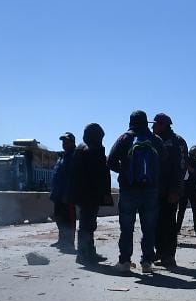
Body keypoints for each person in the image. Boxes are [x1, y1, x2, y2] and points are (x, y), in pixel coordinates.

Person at [108, 111, 161, 273]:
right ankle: (146, 262)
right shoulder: (154, 139)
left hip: (129, 189)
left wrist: (124, 172)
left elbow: (110, 161)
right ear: (146, 122)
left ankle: (124, 262)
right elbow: (163, 159)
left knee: (126, 227)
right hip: (150, 191)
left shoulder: (125, 138)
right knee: (149, 227)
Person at [71, 123, 112, 265]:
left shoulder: (81, 148)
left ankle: (88, 251)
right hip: (89, 194)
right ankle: (84, 253)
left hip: (85, 194)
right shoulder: (90, 150)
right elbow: (98, 174)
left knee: (87, 224)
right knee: (87, 225)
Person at [151, 113, 188, 268]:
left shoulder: (177, 141)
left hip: (170, 190)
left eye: (155, 124)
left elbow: (181, 168)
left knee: (169, 223)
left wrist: (175, 190)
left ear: (163, 125)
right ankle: (159, 251)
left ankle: (169, 256)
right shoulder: (154, 141)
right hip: (155, 190)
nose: (152, 127)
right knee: (156, 222)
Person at [48, 132, 77, 252]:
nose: (64, 143)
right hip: (58, 194)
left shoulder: (74, 156)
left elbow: (73, 177)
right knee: (59, 217)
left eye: (66, 141)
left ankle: (69, 242)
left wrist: (69, 193)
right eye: (63, 141)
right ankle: (61, 240)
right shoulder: (62, 156)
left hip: (68, 194)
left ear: (72, 142)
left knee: (69, 219)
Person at [181, 145, 196, 236]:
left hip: (194, 189)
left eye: (193, 154)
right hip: (184, 189)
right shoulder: (186, 161)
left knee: (195, 209)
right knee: (181, 210)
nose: (192, 156)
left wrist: (191, 170)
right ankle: (177, 229)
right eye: (191, 154)